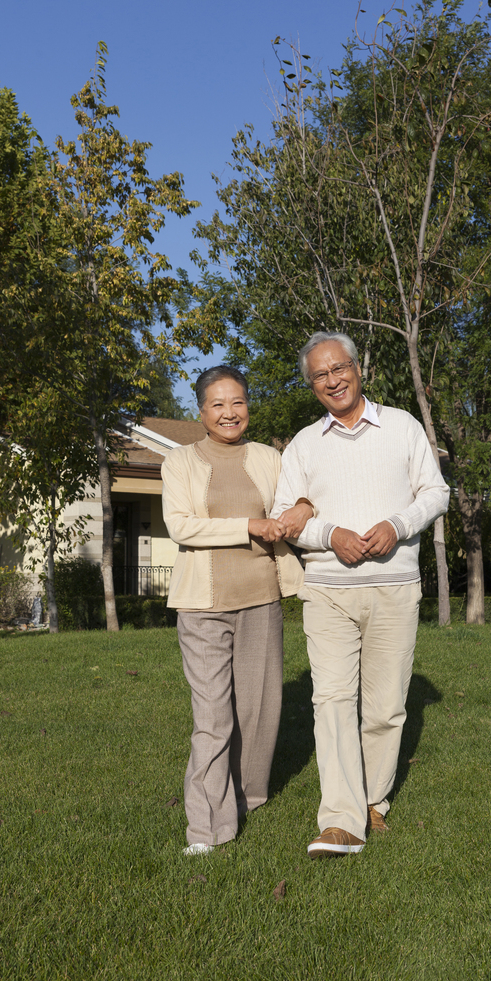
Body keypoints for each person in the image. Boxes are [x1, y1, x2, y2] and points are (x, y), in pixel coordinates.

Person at [271, 332, 450, 859]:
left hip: (394, 588)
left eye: (339, 368)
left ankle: (374, 801)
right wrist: (331, 536)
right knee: (330, 702)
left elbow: (437, 492)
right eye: (320, 376)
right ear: (312, 386)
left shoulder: (402, 426)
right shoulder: (304, 444)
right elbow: (288, 518)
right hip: (327, 591)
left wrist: (398, 525)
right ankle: (341, 821)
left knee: (387, 707)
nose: (332, 380)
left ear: (356, 368)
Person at [162, 366, 311, 855]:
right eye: (218, 405)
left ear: (248, 406)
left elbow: (298, 498)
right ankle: (206, 829)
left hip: (262, 600)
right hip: (203, 605)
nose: (230, 413)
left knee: (258, 710)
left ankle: (247, 799)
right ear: (201, 412)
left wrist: (304, 507)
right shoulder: (179, 461)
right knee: (213, 717)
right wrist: (248, 525)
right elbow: (182, 527)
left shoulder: (269, 457)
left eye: (238, 402)